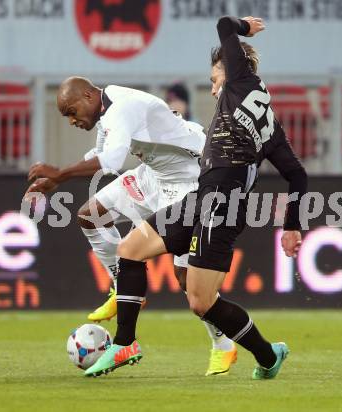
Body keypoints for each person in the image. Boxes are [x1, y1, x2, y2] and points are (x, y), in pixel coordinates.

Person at [85, 16, 307, 380]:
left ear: (231, 70)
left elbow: (223, 25)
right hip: (203, 199)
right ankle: (125, 343)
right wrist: (293, 224)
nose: (213, 89)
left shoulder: (241, 81)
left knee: (201, 302)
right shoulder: (269, 123)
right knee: (129, 251)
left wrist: (242, 28)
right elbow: (297, 174)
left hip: (221, 210)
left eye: (214, 79)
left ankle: (268, 354)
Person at [25, 77, 237, 376]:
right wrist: (55, 178)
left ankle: (223, 345)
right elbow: (99, 154)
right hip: (152, 174)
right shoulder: (106, 106)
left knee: (186, 280)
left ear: (87, 96)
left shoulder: (119, 109)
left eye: (72, 111)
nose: (72, 120)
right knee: (90, 215)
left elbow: (110, 160)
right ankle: (120, 286)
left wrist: (60, 174)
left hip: (188, 183)